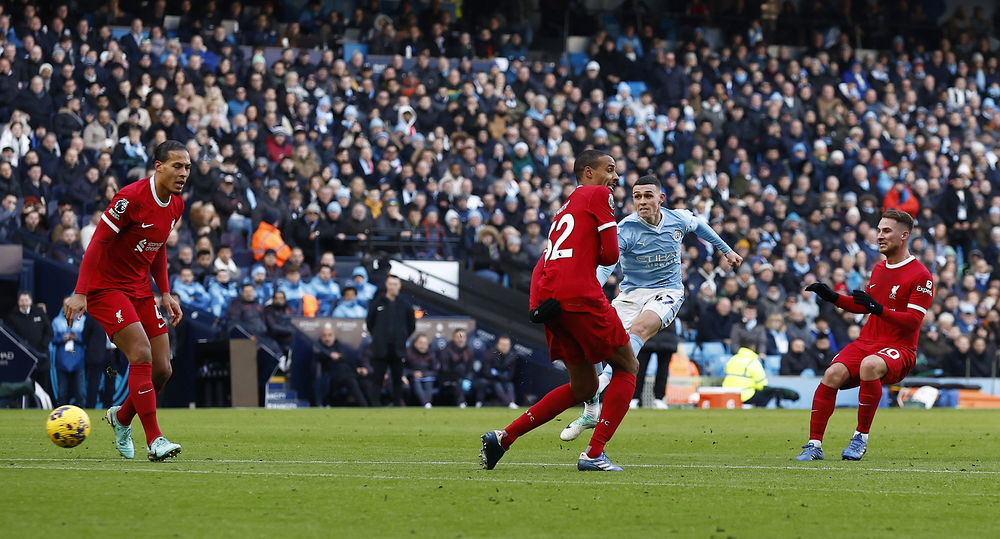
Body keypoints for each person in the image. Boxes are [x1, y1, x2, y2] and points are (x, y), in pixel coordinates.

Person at [480, 150, 641, 472]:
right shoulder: (598, 195)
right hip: (580, 294)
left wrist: (534, 307)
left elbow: (543, 261)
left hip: (550, 301)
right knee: (627, 366)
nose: (615, 177)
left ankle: (504, 438)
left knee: (584, 388)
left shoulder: (564, 209)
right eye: (609, 169)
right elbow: (611, 255)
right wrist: (593, 255)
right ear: (588, 172)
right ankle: (594, 454)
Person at [561, 175, 741, 441]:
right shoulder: (625, 229)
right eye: (637, 197)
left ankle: (601, 384)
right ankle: (591, 410)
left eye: (647, 195)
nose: (642, 201)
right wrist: (591, 290)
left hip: (667, 291)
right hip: (631, 293)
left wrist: (727, 251)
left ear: (661, 198)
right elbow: (607, 266)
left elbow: (700, 225)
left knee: (638, 330)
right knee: (596, 343)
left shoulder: (678, 219)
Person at [63, 140, 189, 462]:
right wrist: (81, 292)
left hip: (140, 288)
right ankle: (155, 440)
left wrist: (165, 291)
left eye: (187, 167)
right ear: (158, 166)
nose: (184, 173)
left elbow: (158, 246)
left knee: (163, 369)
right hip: (106, 288)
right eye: (177, 166)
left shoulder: (176, 204)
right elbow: (97, 243)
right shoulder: (129, 198)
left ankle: (121, 418)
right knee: (141, 353)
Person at [797, 210, 933, 461]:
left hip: (900, 348)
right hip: (867, 342)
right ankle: (814, 445)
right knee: (832, 374)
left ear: (904, 235)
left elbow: (913, 322)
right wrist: (833, 297)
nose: (879, 236)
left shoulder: (921, 275)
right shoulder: (879, 269)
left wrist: (878, 309)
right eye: (879, 230)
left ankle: (860, 437)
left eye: (886, 231)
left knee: (870, 365)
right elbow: (865, 305)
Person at [365, 274, 416, 406]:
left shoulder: (405, 305)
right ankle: (374, 405)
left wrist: (402, 336)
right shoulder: (377, 303)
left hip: (398, 348)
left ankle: (397, 404)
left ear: (400, 286)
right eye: (391, 284)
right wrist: (378, 337)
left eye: (395, 284)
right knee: (377, 378)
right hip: (380, 348)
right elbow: (370, 323)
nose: (393, 287)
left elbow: (411, 325)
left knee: (397, 379)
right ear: (386, 285)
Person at [5, 291, 54, 403]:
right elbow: (11, 338)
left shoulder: (39, 313)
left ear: (31, 301)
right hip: (24, 360)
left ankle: (43, 407)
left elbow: (49, 331)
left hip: (42, 359)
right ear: (18, 302)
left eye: (26, 300)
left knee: (43, 387)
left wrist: (42, 347)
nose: (24, 303)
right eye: (22, 300)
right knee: (23, 388)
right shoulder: (13, 318)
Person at [314, 325, 369, 407]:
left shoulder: (340, 347)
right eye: (324, 336)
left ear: (334, 336)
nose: (327, 338)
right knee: (351, 380)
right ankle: (365, 407)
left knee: (365, 382)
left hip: (349, 373)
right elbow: (318, 357)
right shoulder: (319, 348)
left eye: (329, 335)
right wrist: (329, 355)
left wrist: (357, 369)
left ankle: (374, 405)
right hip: (334, 376)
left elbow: (348, 360)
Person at [52, 298, 86, 406]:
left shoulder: (83, 320)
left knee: (79, 392)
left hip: (78, 360)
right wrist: (61, 338)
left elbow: (88, 338)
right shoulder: (57, 321)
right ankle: (60, 413)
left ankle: (80, 414)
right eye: (65, 304)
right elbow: (52, 339)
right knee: (62, 392)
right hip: (62, 361)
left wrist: (77, 337)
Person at [404, 333, 437, 408]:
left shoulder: (431, 354)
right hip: (412, 378)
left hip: (427, 377)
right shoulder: (409, 353)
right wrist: (413, 373)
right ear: (415, 343)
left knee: (429, 381)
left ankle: (427, 403)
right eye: (420, 343)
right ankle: (425, 403)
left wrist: (425, 374)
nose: (423, 346)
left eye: (425, 343)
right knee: (416, 381)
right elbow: (404, 368)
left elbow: (435, 370)